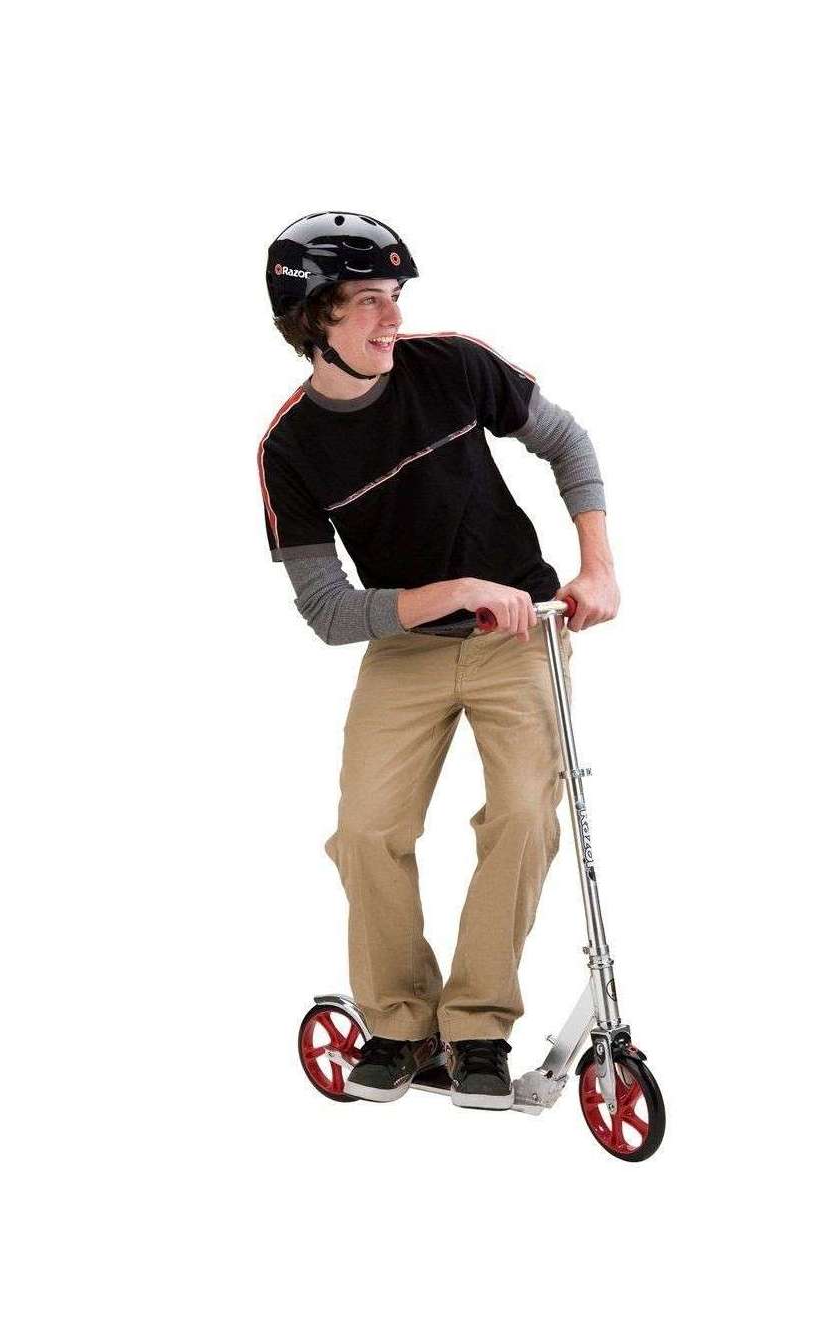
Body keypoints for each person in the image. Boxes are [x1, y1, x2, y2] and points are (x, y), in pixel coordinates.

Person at [259, 211, 619, 1110]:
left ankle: (477, 1029)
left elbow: (566, 441)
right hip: (406, 653)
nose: (393, 319)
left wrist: (598, 566)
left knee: (524, 819)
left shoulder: (452, 365)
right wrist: (454, 590)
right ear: (310, 320)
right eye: (367, 302)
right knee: (367, 831)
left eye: (395, 297)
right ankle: (398, 1022)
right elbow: (328, 611)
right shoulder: (290, 449)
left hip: (522, 635)